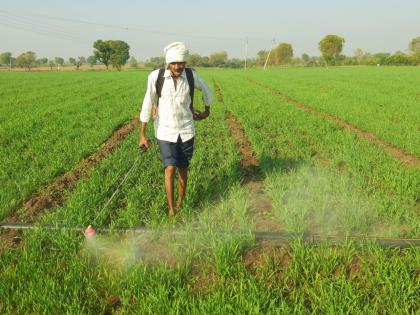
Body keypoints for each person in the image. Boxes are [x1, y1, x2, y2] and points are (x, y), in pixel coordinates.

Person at [139, 42, 213, 216]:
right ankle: (171, 209)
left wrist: (207, 110)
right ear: (168, 63)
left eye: (181, 63)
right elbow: (147, 104)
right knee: (170, 167)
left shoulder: (191, 75)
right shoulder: (156, 77)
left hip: (187, 129)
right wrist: (142, 134)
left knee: (183, 168)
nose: (177, 67)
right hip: (165, 130)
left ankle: (180, 202)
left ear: (185, 63)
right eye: (174, 63)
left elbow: (206, 90)